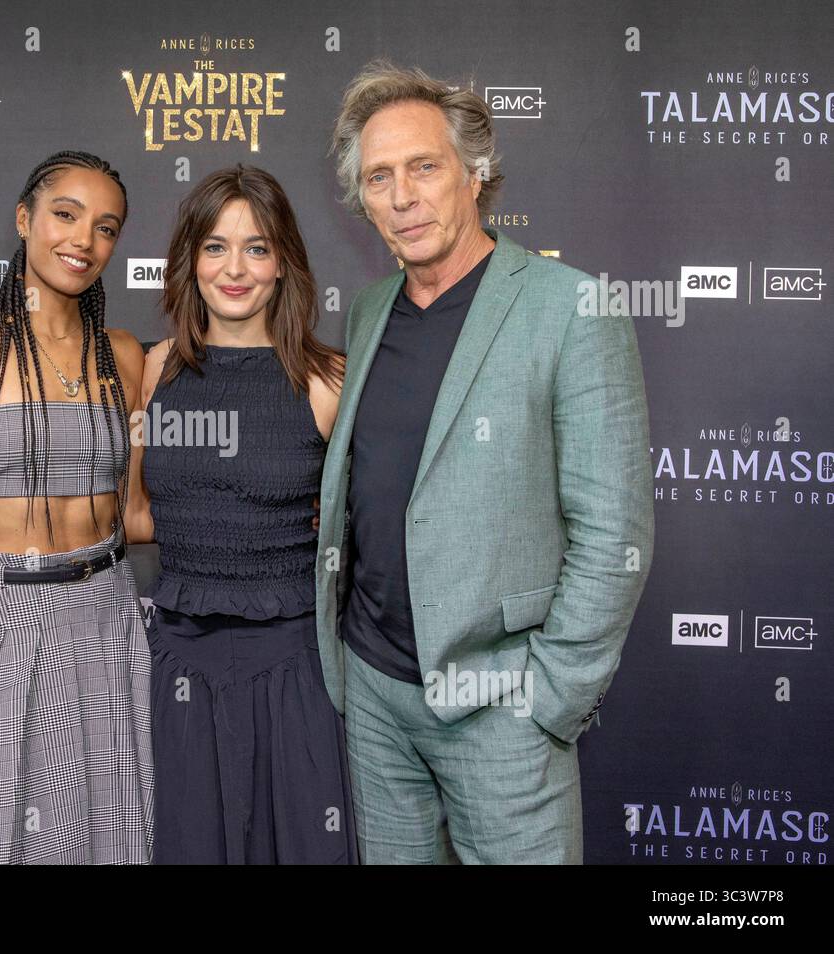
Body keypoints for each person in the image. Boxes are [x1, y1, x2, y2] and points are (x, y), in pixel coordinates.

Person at [317, 62, 654, 864]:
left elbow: (614, 531)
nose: (402, 197)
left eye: (424, 168)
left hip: (503, 706)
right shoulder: (368, 311)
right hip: (375, 696)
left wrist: (549, 698)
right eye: (379, 178)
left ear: (475, 173)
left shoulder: (572, 307)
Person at [0, 151, 154, 865]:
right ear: (24, 219)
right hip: (3, 614)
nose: (84, 240)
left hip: (108, 611)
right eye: (65, 215)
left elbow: (134, 514)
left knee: (108, 830)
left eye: (105, 227)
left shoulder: (124, 355)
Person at [134, 165, 355, 864]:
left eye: (256, 248)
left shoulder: (328, 381)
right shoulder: (156, 369)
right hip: (180, 659)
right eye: (215, 247)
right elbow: (136, 515)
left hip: (294, 664)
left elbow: (361, 529)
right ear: (190, 259)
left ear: (283, 261)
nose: (235, 269)